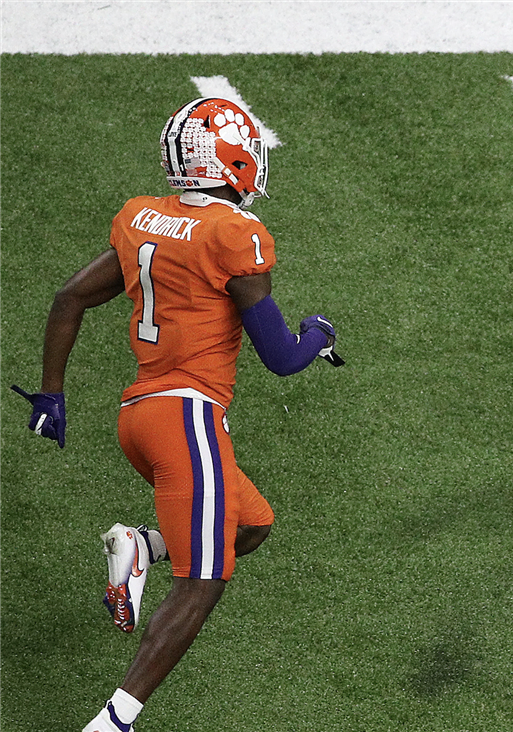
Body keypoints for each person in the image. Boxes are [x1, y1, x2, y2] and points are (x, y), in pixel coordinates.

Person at [12, 97, 340, 732]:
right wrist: (317, 333)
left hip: (140, 418)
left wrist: (53, 395)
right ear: (236, 160)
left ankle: (142, 547)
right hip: (188, 420)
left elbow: (69, 298)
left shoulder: (144, 219)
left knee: (253, 525)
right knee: (203, 582)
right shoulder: (232, 234)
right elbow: (280, 356)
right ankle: (114, 721)